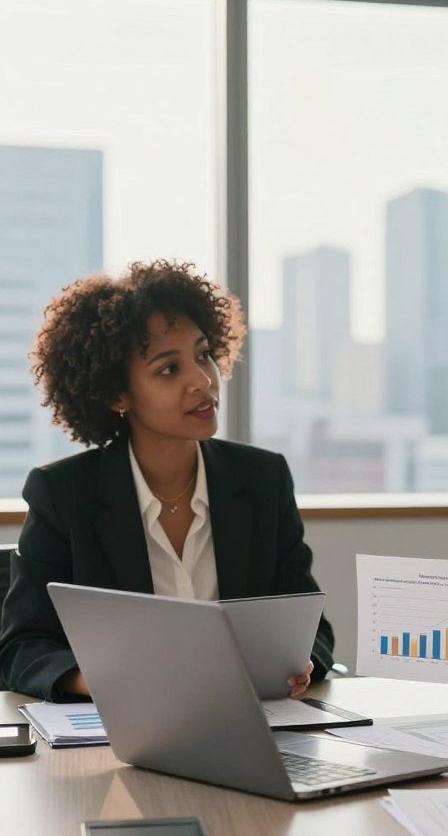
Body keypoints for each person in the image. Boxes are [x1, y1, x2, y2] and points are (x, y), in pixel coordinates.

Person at [0, 259, 335, 701]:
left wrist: (301, 664)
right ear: (117, 394)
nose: (202, 381)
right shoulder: (64, 494)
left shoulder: (262, 479)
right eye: (168, 369)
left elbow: (311, 626)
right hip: (120, 734)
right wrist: (105, 682)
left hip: (249, 720)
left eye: (203, 355)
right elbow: (23, 647)